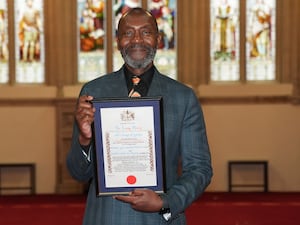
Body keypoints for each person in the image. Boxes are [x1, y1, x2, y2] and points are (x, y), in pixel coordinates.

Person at [67, 7, 212, 225]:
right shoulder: (94, 93)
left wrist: (165, 201)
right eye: (128, 33)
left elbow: (200, 169)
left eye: (145, 32)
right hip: (107, 218)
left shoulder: (184, 98)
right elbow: (78, 173)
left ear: (158, 39)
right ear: (117, 41)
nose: (137, 40)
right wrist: (85, 140)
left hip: (159, 219)